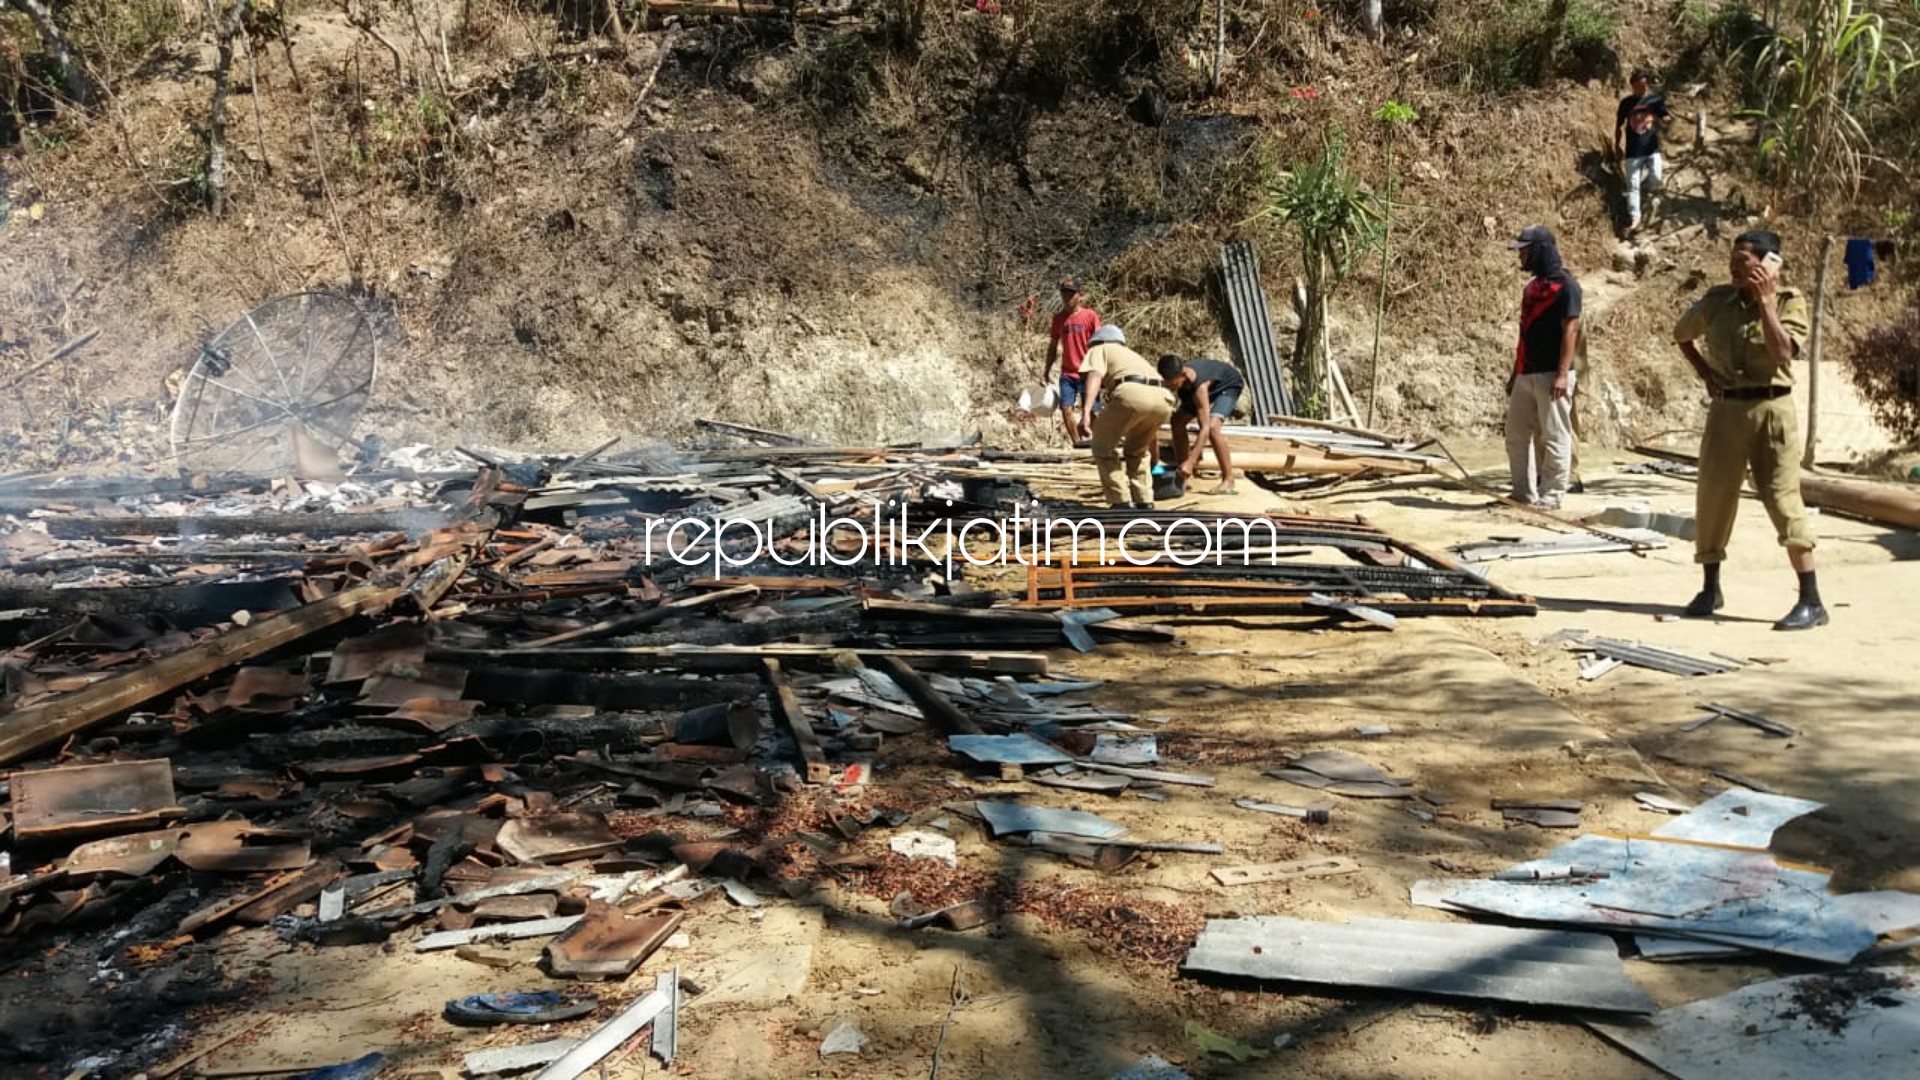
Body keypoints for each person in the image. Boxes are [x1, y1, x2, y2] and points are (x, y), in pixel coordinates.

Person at [1672, 230, 1826, 630]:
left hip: (1771, 412)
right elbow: (1681, 335)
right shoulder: (1717, 300)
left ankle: (1811, 600)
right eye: (1733, 259)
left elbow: (1783, 353)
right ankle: (1710, 587)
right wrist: (1706, 373)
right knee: (1714, 498)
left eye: (1744, 260)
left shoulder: (1791, 302)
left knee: (1783, 500)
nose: (1734, 267)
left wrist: (1767, 303)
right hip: (1726, 412)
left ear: (1768, 264)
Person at [1504, 225, 1582, 510]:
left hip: (1553, 374)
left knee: (1554, 434)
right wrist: (1516, 372)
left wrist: (1562, 374)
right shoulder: (1532, 288)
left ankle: (1552, 495)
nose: (1520, 257)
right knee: (1516, 434)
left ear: (1540, 251)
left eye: (1524, 251)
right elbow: (1525, 333)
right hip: (1526, 372)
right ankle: (1522, 493)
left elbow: (1570, 330)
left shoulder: (1567, 286)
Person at [1079, 325, 1177, 509]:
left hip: (1133, 394)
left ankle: (1120, 500)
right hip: (1164, 398)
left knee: (1103, 446)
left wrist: (1085, 412)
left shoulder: (1100, 348)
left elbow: (1094, 376)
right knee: (1137, 450)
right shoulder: (1132, 356)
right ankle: (1145, 500)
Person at [1157, 354, 1244, 494]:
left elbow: (1204, 428)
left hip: (1227, 386)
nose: (1169, 387)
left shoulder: (1200, 387)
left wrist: (1191, 462)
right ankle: (1183, 477)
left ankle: (1228, 480)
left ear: (1183, 375)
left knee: (1213, 427)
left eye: (1172, 384)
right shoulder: (1182, 380)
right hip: (1198, 389)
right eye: (1166, 383)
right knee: (1177, 421)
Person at [1042, 277, 1102, 445]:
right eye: (1064, 294)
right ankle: (1077, 443)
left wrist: (1100, 370)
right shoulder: (1058, 319)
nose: (1067, 298)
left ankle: (1097, 443)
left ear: (1079, 295)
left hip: (1087, 371)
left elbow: (1099, 343)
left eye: (1071, 294)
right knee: (1066, 408)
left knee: (1091, 412)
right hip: (1068, 372)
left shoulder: (1090, 316)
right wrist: (1046, 370)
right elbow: (1053, 346)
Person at [1615, 68, 1671, 238]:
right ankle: (1634, 219)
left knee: (1656, 178)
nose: (1642, 89)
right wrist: (1617, 145)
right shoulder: (1625, 103)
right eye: (1639, 86)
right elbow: (1618, 126)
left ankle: (1647, 193)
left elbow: (1664, 116)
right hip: (1632, 151)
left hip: (1652, 149)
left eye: (1645, 85)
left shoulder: (1655, 100)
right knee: (1632, 186)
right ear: (1632, 85)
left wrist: (1667, 120)